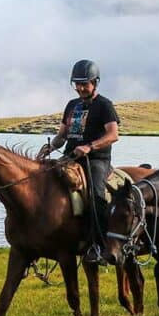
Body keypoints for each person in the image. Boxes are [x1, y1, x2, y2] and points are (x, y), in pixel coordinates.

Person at [38, 59, 120, 260]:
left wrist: (90, 146)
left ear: (95, 83)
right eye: (78, 84)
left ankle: (99, 245)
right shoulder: (72, 105)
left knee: (96, 196)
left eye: (85, 84)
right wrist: (50, 147)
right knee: (42, 183)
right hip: (70, 157)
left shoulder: (105, 105)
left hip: (96, 160)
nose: (81, 88)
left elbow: (113, 135)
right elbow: (62, 135)